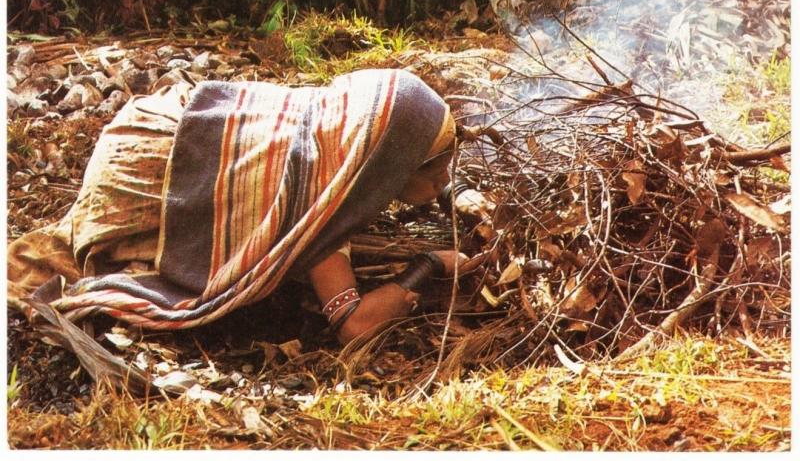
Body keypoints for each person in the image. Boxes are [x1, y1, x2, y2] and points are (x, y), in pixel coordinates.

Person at [7, 68, 493, 344]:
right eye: (435, 172)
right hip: (145, 170)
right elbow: (354, 324)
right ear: (388, 167)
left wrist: (455, 195)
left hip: (158, 116)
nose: (442, 181)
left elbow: (415, 170)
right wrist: (427, 266)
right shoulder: (314, 207)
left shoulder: (342, 139)